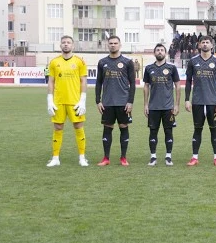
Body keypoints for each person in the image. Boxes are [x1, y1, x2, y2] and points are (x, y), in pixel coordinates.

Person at [46, 36, 88, 167]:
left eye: (68, 42)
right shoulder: (54, 62)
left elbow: (83, 81)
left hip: (75, 101)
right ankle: (55, 158)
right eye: (63, 42)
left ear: (73, 46)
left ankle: (82, 157)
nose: (66, 44)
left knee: (78, 127)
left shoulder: (80, 61)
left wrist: (82, 100)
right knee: (58, 127)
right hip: (58, 102)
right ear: (60, 45)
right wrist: (49, 100)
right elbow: (51, 81)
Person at [184, 35, 216, 167]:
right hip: (197, 101)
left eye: (208, 42)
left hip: (213, 102)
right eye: (203, 42)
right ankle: (194, 157)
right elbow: (188, 81)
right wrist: (187, 100)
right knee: (197, 129)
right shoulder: (193, 61)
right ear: (199, 45)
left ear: (212, 45)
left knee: (214, 129)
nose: (205, 44)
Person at [95, 36, 136, 166]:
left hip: (123, 102)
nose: (113, 45)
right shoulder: (102, 62)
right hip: (107, 102)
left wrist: (130, 101)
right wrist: (98, 100)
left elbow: (133, 83)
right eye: (111, 43)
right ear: (108, 45)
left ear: (120, 45)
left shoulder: (127, 62)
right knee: (107, 128)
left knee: (124, 127)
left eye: (115, 43)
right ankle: (106, 158)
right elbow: (98, 82)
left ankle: (123, 158)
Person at [143, 44, 181, 166]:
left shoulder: (171, 68)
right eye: (158, 50)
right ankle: (153, 157)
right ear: (154, 53)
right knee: (153, 132)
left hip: (168, 107)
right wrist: (145, 104)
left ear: (166, 53)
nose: (160, 52)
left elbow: (178, 86)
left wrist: (176, 105)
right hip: (153, 107)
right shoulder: (149, 68)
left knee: (168, 131)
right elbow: (146, 86)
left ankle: (168, 156)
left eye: (162, 50)